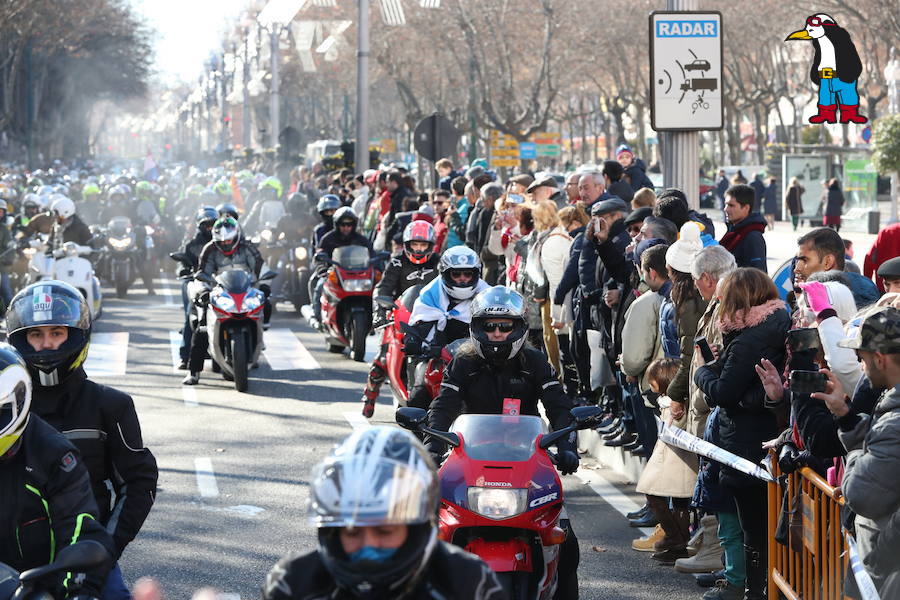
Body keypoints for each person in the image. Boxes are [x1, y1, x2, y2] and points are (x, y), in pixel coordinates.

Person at [6, 281, 158, 600]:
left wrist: (104, 550)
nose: (46, 345)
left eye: (56, 333)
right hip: (7, 563)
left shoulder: (111, 405)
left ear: (76, 335)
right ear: (21, 339)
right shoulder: (5, 406)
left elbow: (138, 483)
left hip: (85, 555)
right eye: (36, 335)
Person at [425, 285, 580, 597]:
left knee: (567, 541)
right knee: (427, 530)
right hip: (469, 460)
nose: (496, 333)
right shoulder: (462, 363)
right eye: (489, 326)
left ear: (519, 327)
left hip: (526, 460)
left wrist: (567, 447)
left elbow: (559, 406)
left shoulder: (535, 362)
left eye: (504, 326)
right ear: (477, 328)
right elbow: (443, 407)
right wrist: (432, 445)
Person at [262, 426, 505, 600]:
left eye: (385, 530)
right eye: (352, 531)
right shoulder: (293, 582)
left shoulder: (469, 582)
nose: (368, 545)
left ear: (418, 529)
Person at [693, 268, 790, 600]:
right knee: (758, 523)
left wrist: (703, 372)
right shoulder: (773, 323)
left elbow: (723, 391)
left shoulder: (751, 337)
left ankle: (752, 590)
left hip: (747, 444)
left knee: (753, 525)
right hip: (760, 437)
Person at [0, 343, 116, 599]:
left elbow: (78, 527)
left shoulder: (54, 455)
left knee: (112, 590)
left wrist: (74, 588)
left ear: (16, 403)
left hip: (39, 586)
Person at [834, 306, 900, 596]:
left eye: (862, 358)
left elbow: (860, 493)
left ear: (880, 359)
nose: (861, 366)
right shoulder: (889, 412)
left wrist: (856, 453)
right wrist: (848, 419)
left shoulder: (893, 425)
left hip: (886, 569)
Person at [361, 221, 440, 418]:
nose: (419, 249)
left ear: (431, 246)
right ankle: (370, 396)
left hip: (432, 317)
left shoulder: (440, 262)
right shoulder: (397, 262)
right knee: (380, 362)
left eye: (423, 245)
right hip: (398, 314)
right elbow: (383, 288)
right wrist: (379, 312)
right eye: (415, 245)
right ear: (407, 245)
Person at [404, 246, 489, 409]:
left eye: (468, 274)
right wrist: (416, 341)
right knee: (417, 398)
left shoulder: (487, 297)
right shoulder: (430, 294)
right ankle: (422, 432)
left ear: (476, 274)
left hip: (479, 360)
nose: (462, 279)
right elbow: (420, 324)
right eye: (456, 274)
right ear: (445, 274)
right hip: (439, 358)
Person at [183, 217, 265, 385]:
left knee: (264, 307)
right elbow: (201, 274)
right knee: (202, 327)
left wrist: (264, 285)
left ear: (236, 237)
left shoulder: (247, 248)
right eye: (222, 241)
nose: (226, 244)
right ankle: (194, 372)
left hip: (245, 291)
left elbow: (261, 267)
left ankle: (256, 345)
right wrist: (203, 291)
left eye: (229, 240)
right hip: (219, 292)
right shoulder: (209, 249)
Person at [311, 206, 374, 329]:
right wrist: (323, 269)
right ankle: (318, 317)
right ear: (337, 224)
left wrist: (376, 266)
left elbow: (372, 255)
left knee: (377, 288)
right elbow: (319, 256)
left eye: (349, 225)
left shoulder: (361, 240)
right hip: (333, 274)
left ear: (354, 225)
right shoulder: (328, 239)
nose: (346, 227)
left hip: (358, 275)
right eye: (343, 224)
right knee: (318, 285)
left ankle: (375, 319)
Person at [793, 227, 880, 309]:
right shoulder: (863, 287)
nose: (796, 268)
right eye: (797, 261)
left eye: (804, 260)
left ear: (828, 262)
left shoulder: (834, 305)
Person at [175, 206, 217, 370]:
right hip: (195, 282)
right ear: (200, 225)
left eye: (212, 224)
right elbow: (181, 262)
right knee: (192, 316)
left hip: (216, 283)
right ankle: (185, 356)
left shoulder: (221, 243)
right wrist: (183, 270)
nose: (209, 228)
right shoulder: (191, 244)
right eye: (206, 225)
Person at [719, 184, 767, 272]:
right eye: (726, 205)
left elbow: (758, 275)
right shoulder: (733, 231)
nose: (726, 209)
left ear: (746, 208)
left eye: (731, 205)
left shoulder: (753, 237)